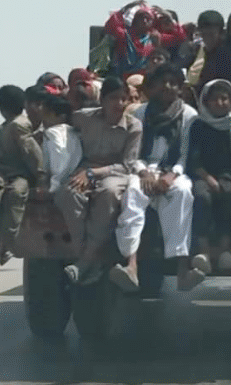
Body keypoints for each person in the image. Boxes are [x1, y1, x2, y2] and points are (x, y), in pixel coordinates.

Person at [112, 64, 203, 292]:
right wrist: (144, 173)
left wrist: (171, 176)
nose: (167, 87)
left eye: (173, 83)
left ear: (180, 88)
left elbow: (185, 154)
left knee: (182, 193)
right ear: (152, 88)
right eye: (162, 82)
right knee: (132, 192)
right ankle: (131, 265)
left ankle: (183, 269)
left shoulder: (189, 115)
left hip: (174, 171)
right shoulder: (140, 113)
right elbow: (133, 152)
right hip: (144, 169)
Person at [63, 77, 142, 285]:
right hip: (86, 168)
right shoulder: (84, 118)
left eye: (124, 99)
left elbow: (127, 165)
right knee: (68, 193)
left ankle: (84, 262)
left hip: (115, 174)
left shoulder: (134, 126)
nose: (120, 104)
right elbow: (60, 123)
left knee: (108, 193)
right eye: (114, 98)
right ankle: (89, 256)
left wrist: (93, 173)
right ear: (103, 100)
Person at [0, 85, 41, 272]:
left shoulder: (19, 125)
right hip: (0, 174)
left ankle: (0, 248)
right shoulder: (0, 129)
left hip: (21, 175)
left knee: (16, 194)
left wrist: (41, 177)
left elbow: (33, 155)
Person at [186, 79, 231, 273]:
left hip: (229, 175)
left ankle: (226, 250)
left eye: (224, 98)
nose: (220, 103)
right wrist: (208, 178)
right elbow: (193, 159)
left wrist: (227, 179)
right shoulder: (198, 125)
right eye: (215, 99)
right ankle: (203, 253)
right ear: (206, 102)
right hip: (202, 175)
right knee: (202, 197)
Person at [33, 96, 84, 238]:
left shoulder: (53, 133)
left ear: (59, 116)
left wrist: (53, 187)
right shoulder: (73, 132)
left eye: (46, 113)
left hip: (63, 182)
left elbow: (60, 162)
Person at [190, 10, 230, 92]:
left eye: (211, 34)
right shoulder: (199, 53)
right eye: (204, 34)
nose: (207, 38)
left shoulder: (228, 55)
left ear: (221, 33)